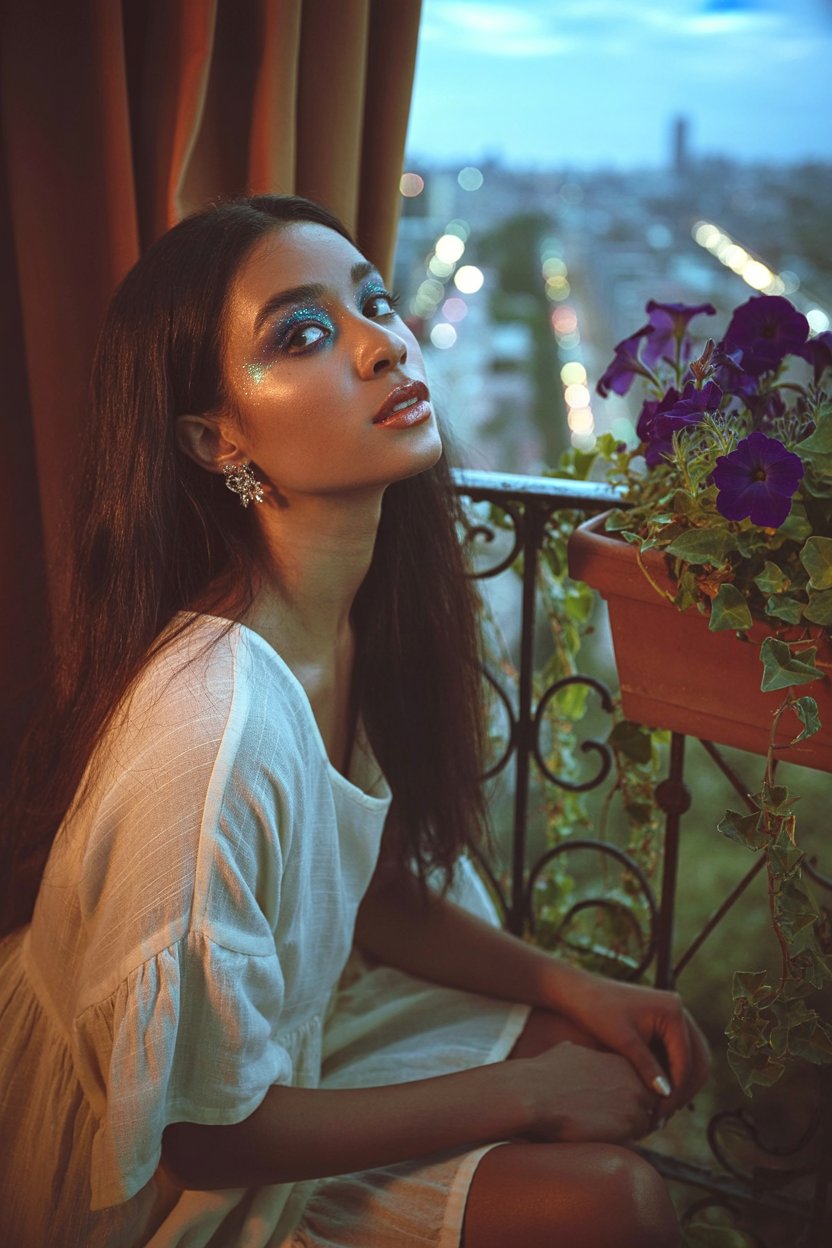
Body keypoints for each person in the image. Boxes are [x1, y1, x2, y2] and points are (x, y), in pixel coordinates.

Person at [0, 194, 709, 1248]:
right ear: (213, 438)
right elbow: (197, 1135)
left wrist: (582, 985)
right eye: (303, 334)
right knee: (617, 1203)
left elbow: (359, 893)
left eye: (374, 302)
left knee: (602, 1058)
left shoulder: (338, 621)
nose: (383, 343)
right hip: (146, 1174)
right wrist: (528, 1098)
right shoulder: (212, 734)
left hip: (289, 1040)